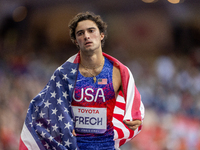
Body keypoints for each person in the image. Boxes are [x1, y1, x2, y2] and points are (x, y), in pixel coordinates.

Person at [19, 11, 145, 150]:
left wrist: (134, 116)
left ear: (101, 35)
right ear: (75, 41)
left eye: (91, 31)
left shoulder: (118, 73)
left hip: (106, 145)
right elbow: (47, 108)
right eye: (80, 33)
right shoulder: (64, 74)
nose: (86, 36)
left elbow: (134, 105)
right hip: (74, 146)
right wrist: (64, 127)